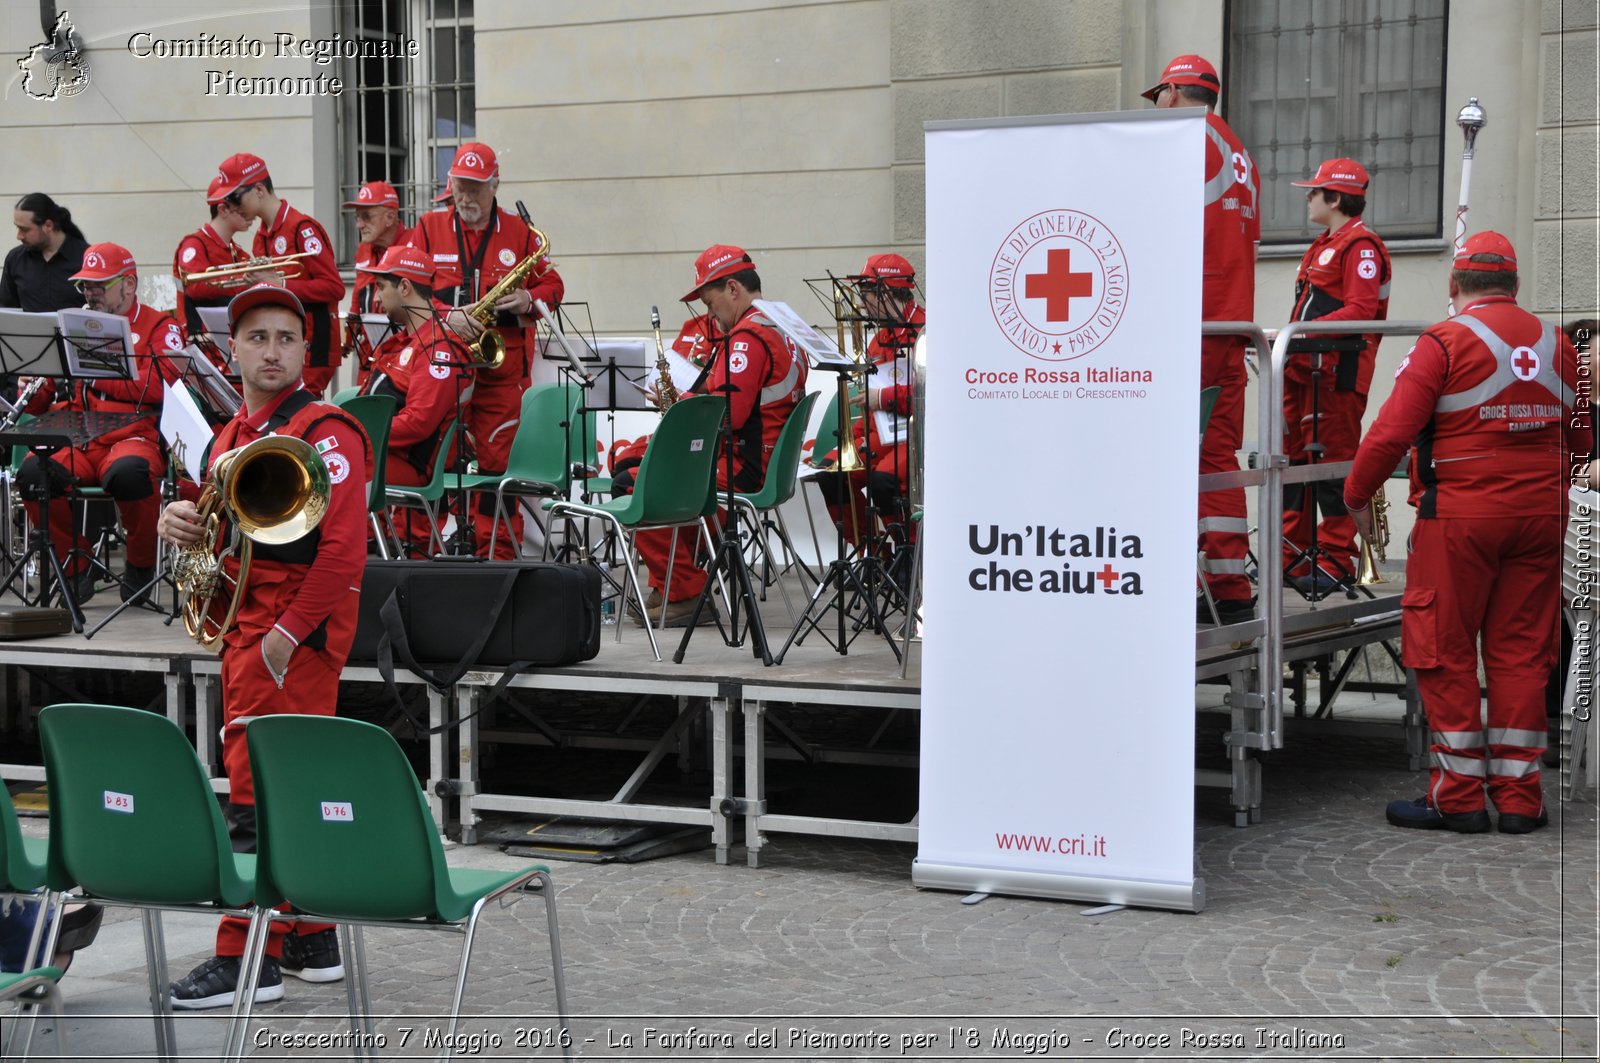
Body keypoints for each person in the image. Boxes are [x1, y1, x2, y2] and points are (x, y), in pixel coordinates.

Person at [159, 284, 370, 1007]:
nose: (272, 350)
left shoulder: (330, 429)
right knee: (297, 781)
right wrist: (180, 520)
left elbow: (344, 555)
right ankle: (309, 933)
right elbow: (216, 528)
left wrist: (285, 636)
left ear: (305, 350)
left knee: (254, 790)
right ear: (234, 349)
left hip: (288, 629)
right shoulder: (226, 437)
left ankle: (245, 953)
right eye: (258, 337)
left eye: (286, 337)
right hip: (247, 619)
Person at [1344, 232, 1584, 834]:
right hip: (1541, 521)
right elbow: (1581, 443)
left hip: (1459, 521)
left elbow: (1389, 434)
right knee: (1524, 656)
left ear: (1455, 286)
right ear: (1516, 286)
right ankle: (1521, 798)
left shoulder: (1442, 342)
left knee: (1443, 651)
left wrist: (1352, 500)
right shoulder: (1560, 344)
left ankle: (1458, 798)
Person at [624, 245, 808, 626]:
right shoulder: (784, 328)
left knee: (638, 488)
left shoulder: (748, 338)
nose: (710, 315)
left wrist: (682, 403)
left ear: (733, 289)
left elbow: (727, 417)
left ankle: (686, 593)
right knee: (638, 466)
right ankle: (672, 585)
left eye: (711, 303)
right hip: (764, 462)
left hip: (742, 467)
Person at [1144, 55, 1261, 625]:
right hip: (1228, 322)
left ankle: (1181, 580)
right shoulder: (1240, 152)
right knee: (1215, 454)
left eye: (1158, 96)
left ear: (1174, 92)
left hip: (1190, 321)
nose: (1156, 108)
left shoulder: (1185, 141)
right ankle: (1229, 587)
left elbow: (1150, 227)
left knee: (1169, 451)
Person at [408, 142, 564, 557]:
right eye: (460, 186)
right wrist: (445, 314)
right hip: (444, 363)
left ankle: (497, 555)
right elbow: (409, 289)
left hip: (501, 369)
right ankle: (425, 552)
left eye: (475, 188)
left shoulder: (521, 233)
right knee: (437, 460)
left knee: (497, 465)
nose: (466, 197)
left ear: (495, 184)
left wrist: (530, 300)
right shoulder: (428, 227)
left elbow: (554, 286)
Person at [16, 243, 185, 604]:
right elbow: (43, 399)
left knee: (130, 474)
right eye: (85, 286)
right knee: (32, 475)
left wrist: (92, 373)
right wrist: (34, 383)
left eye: (99, 285)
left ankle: (140, 565)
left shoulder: (160, 325)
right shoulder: (69, 326)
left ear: (128, 284)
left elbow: (160, 386)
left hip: (131, 436)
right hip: (77, 438)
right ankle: (75, 565)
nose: (89, 293)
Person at [1281, 158, 1392, 595]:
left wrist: (1298, 333)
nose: (1308, 198)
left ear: (1335, 197)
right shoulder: (1322, 244)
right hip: (1303, 373)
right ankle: (1292, 556)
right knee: (1293, 467)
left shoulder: (1361, 246)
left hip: (1336, 376)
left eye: (1314, 191)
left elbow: (1361, 312)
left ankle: (1332, 561)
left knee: (1331, 470)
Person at [357, 244, 474, 553]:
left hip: (410, 468)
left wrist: (355, 435)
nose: (377, 297)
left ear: (405, 287)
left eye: (381, 287)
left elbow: (419, 424)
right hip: (379, 457)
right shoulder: (399, 344)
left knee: (333, 463)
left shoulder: (440, 348)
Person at [813, 253, 925, 547]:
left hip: (917, 437)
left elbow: (931, 397)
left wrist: (883, 398)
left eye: (867, 295)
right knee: (832, 474)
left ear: (886, 291)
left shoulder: (925, 331)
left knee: (883, 481)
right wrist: (856, 438)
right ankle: (871, 553)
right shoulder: (879, 339)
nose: (863, 304)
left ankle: (909, 552)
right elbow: (869, 402)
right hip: (885, 436)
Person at [213, 153, 346, 397]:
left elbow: (334, 288)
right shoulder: (261, 237)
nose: (232, 207)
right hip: (281, 343)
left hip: (312, 346)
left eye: (234, 198)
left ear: (259, 190)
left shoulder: (302, 228)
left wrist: (281, 283)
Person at [344, 180, 411, 387]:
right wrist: (347, 338)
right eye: (357, 217)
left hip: (404, 359)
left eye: (366, 217)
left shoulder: (413, 246)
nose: (359, 224)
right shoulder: (364, 249)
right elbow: (357, 296)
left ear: (390, 217)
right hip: (369, 359)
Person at [173, 176, 253, 339]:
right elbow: (195, 287)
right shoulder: (194, 245)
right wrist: (245, 280)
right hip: (203, 342)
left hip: (233, 339)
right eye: (244, 206)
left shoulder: (240, 253)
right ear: (223, 209)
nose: (252, 213)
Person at [2, 192, 88, 312]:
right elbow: (6, 310)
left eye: (25, 229)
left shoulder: (87, 258)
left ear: (48, 226)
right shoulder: (15, 259)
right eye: (18, 227)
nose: (19, 236)